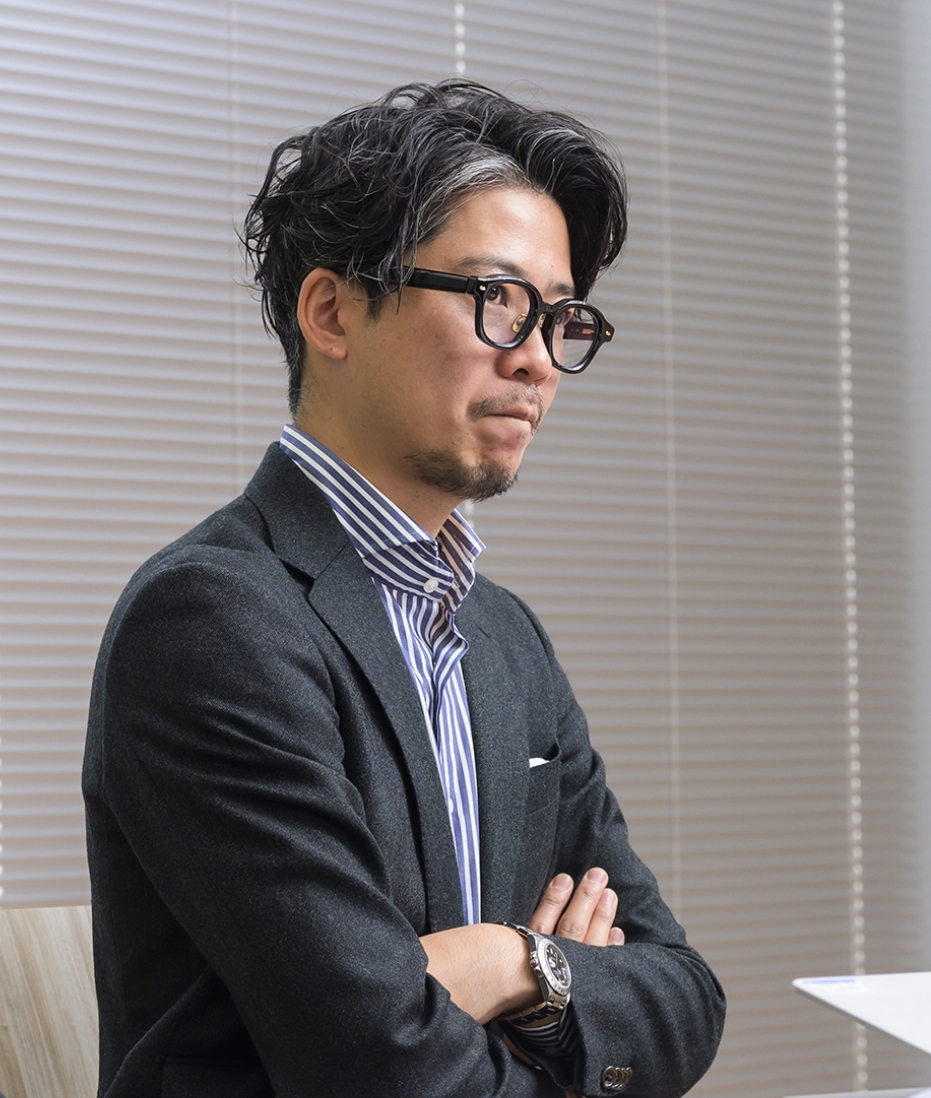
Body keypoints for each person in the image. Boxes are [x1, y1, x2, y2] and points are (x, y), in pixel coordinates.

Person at [82, 80, 725, 1098]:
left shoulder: (504, 636)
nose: (539, 362)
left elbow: (685, 997)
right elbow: (377, 1059)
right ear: (332, 311)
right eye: (498, 301)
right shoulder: (213, 621)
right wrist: (556, 1008)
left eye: (561, 318)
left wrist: (518, 965)